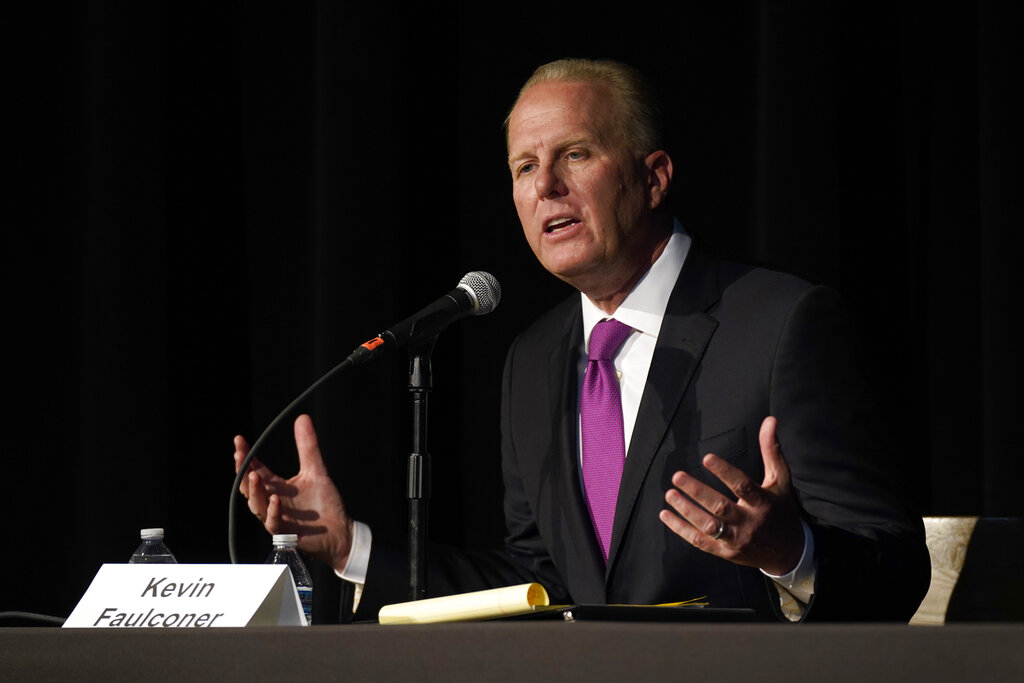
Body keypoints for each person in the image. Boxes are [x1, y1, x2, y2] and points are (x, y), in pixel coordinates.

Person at [235, 58, 930, 622]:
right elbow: (538, 582)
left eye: (575, 154)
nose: (547, 186)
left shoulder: (784, 323)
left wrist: (790, 552)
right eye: (524, 167)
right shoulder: (534, 359)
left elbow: (897, 570)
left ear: (653, 177)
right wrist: (351, 546)